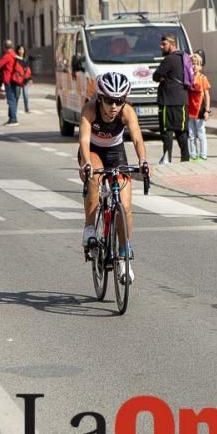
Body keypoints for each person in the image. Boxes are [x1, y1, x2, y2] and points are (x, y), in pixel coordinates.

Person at [78, 72, 150, 285]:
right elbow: (83, 139)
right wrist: (86, 163)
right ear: (100, 98)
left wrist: (143, 160)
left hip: (116, 152)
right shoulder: (90, 110)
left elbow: (137, 138)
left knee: (125, 207)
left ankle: (123, 255)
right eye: (109, 100)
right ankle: (90, 229)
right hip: (92, 151)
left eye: (119, 101)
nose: (114, 106)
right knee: (95, 179)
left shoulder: (127, 112)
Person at [152, 33, 190, 163]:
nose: (161, 46)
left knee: (167, 132)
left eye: (164, 44)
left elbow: (156, 76)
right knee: (182, 131)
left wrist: (163, 77)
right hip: (182, 100)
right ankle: (186, 158)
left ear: (172, 45)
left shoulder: (169, 59)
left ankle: (166, 159)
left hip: (167, 102)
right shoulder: (184, 57)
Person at [187, 53, 211, 161]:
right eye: (192, 63)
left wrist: (207, 110)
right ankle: (193, 155)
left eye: (196, 64)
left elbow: (207, 95)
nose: (194, 66)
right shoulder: (188, 78)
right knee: (191, 135)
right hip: (190, 110)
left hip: (199, 110)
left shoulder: (203, 78)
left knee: (201, 134)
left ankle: (203, 155)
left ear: (201, 66)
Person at [0, 40, 21, 126]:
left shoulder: (7, 56)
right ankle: (11, 118)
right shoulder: (14, 55)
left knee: (11, 100)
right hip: (16, 80)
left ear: (4, 47)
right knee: (14, 99)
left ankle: (13, 119)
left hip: (9, 80)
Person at [16, 45, 33, 113]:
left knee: (25, 94)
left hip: (26, 79)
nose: (21, 51)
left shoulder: (26, 58)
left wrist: (30, 79)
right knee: (17, 94)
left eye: (22, 49)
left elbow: (28, 69)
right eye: (19, 49)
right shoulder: (16, 59)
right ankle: (15, 108)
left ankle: (27, 108)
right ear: (17, 50)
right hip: (18, 79)